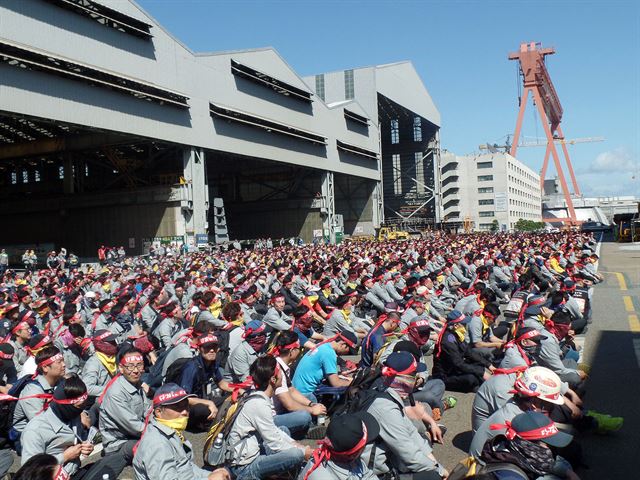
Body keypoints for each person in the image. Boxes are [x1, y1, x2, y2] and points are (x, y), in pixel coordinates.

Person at [361, 352, 448, 479]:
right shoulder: (385, 407)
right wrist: (439, 471)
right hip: (374, 472)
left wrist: (436, 464)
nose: (417, 378)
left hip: (388, 456)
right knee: (431, 477)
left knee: (426, 453)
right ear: (403, 379)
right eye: (414, 374)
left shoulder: (388, 390)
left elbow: (411, 433)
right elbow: (408, 453)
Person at [226, 356, 312, 480]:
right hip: (244, 467)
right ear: (273, 379)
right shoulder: (259, 404)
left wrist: (293, 443)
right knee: (296, 454)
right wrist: (303, 451)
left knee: (283, 430)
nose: (282, 375)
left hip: (251, 449)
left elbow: (274, 432)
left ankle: (280, 473)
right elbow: (274, 442)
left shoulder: (257, 395)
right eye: (280, 372)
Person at [20, 375, 118, 479]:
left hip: (75, 472)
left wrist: (84, 446)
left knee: (113, 463)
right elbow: (30, 470)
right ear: (66, 406)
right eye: (79, 407)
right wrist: (64, 457)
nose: (81, 411)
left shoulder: (73, 416)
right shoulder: (35, 430)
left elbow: (78, 437)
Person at [132, 383, 229, 480]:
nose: (184, 412)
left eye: (186, 406)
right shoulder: (158, 444)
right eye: (177, 407)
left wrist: (208, 475)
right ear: (159, 412)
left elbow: (187, 469)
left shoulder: (171, 431)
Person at [98, 348, 152, 477]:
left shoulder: (136, 383)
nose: (135, 370)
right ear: (121, 368)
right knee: (155, 447)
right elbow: (135, 427)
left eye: (139, 365)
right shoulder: (116, 393)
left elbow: (148, 411)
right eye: (130, 366)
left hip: (134, 435)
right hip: (119, 445)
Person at [480, 412, 577, 480]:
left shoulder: (514, 447)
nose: (552, 451)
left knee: (563, 463)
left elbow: (551, 463)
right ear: (528, 446)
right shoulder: (511, 477)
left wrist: (568, 472)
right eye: (548, 445)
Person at [271, 331, 326, 439]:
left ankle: (310, 427)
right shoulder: (277, 371)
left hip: (280, 407)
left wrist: (310, 404)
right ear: (292, 351)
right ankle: (304, 431)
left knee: (310, 397)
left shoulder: (281, 364)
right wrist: (312, 410)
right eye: (300, 349)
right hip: (272, 417)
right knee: (304, 416)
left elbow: (291, 390)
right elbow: (289, 405)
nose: (301, 352)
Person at [12, 346, 66, 449]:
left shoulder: (60, 381)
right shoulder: (32, 391)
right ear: (45, 368)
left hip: (53, 422)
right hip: (27, 435)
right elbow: (41, 424)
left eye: (63, 360)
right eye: (59, 362)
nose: (64, 365)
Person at [299, 412, 380, 480]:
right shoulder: (322, 476)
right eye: (365, 444)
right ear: (354, 454)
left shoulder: (352, 460)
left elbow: (367, 475)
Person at [432, 310, 492, 393]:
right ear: (456, 325)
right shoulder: (447, 341)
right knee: (471, 378)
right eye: (463, 324)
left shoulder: (456, 334)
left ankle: (479, 383)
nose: (465, 326)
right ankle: (475, 387)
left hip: (454, 369)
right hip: (444, 376)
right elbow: (459, 364)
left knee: (478, 364)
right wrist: (481, 372)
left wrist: (489, 365)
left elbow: (469, 352)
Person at [292, 330, 356, 398]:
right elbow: (336, 383)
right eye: (348, 351)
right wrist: (355, 382)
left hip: (296, 390)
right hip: (305, 394)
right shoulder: (329, 353)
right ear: (343, 344)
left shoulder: (323, 346)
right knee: (349, 391)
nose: (346, 354)